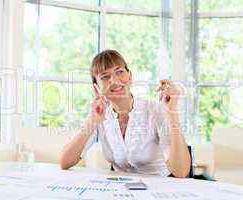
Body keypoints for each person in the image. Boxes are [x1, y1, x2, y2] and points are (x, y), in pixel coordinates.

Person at [59, 49, 191, 177]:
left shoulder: (155, 111)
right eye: (105, 77)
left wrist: (172, 113)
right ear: (96, 87)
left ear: (130, 75)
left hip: (159, 188)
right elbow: (64, 162)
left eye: (120, 72)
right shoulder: (99, 113)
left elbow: (181, 172)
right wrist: (92, 121)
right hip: (121, 189)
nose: (115, 80)